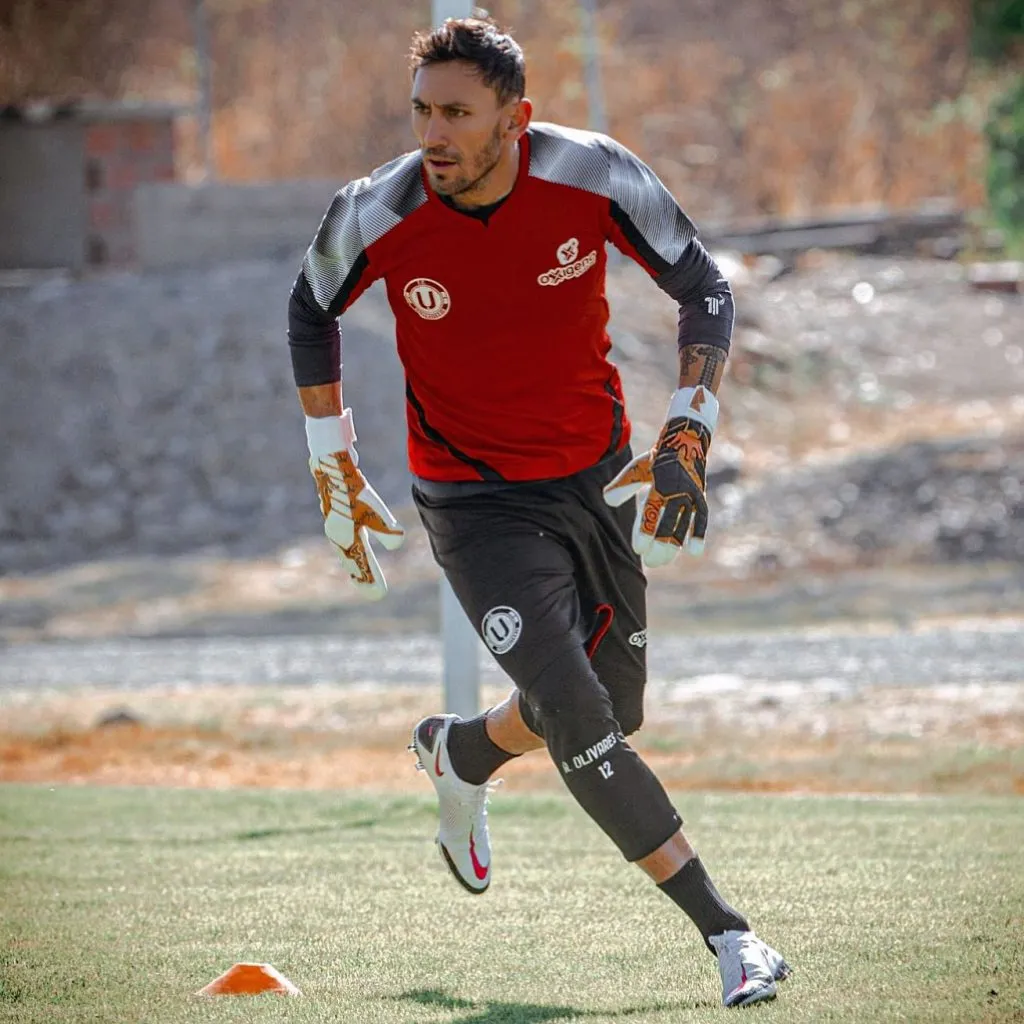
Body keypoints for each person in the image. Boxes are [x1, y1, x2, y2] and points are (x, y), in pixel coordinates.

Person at [288, 15, 791, 1009]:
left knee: (615, 705)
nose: (433, 135)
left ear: (513, 119)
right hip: (472, 501)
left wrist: (686, 428)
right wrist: (329, 458)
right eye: (423, 111)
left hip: (594, 478)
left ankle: (462, 750)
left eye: (458, 115)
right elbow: (311, 311)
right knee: (579, 717)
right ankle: (731, 935)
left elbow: (702, 286)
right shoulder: (375, 210)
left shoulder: (596, 176)